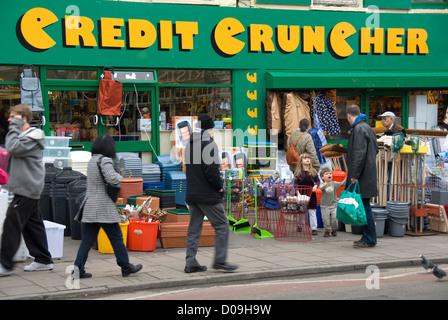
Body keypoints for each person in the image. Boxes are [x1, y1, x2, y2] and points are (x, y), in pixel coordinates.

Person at [73, 134, 142, 278]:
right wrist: (120, 176)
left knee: (87, 240)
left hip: (90, 205)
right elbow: (111, 178)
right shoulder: (105, 160)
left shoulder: (92, 160)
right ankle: (125, 266)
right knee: (116, 237)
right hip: (103, 206)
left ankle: (77, 269)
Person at [0, 104, 53, 276]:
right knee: (32, 225)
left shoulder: (33, 136)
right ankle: (43, 259)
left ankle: (5, 264)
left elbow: (13, 147)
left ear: (23, 118)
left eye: (13, 116)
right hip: (26, 187)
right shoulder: (25, 136)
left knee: (11, 224)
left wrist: (13, 128)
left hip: (27, 188)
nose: (9, 120)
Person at [184, 114, 237, 273]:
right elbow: (211, 170)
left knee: (194, 228)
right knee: (222, 225)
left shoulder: (190, 143)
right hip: (207, 194)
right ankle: (220, 261)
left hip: (193, 193)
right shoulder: (209, 143)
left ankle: (190, 262)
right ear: (210, 128)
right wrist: (219, 186)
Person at [346, 105, 378, 248]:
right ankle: (368, 237)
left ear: (348, 116)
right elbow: (375, 150)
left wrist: (354, 175)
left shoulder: (358, 129)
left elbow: (358, 154)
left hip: (362, 175)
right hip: (369, 172)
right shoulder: (368, 127)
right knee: (365, 206)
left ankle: (369, 239)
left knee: (365, 207)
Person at [293, 153, 320, 235]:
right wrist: (297, 192)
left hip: (311, 194)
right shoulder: (298, 172)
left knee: (312, 211)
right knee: (301, 211)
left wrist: (316, 186)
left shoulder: (313, 171)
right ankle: (299, 225)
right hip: (301, 194)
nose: (307, 159)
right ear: (301, 161)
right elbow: (295, 184)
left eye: (308, 158)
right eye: (305, 158)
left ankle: (314, 228)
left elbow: (318, 180)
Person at [319, 167, 346, 237]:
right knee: (326, 220)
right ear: (322, 177)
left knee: (334, 219)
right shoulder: (322, 184)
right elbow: (321, 187)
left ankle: (334, 229)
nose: (329, 175)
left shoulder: (334, 183)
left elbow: (342, 184)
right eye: (326, 174)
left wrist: (347, 178)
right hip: (324, 206)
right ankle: (327, 230)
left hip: (334, 205)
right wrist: (324, 185)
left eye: (330, 173)